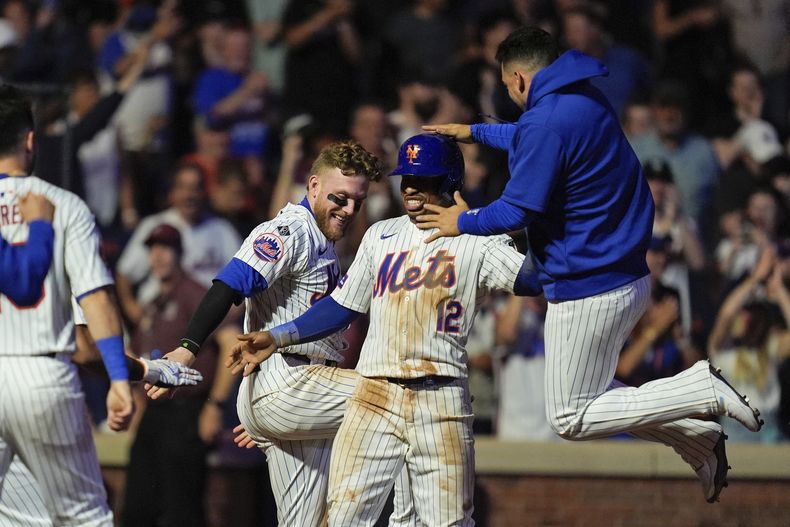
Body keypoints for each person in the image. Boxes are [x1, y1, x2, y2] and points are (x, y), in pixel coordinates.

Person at [417, 26, 763, 503]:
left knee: (569, 417)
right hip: (625, 275)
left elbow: (517, 209)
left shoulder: (545, 121)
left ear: (518, 79)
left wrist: (464, 220)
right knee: (599, 397)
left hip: (588, 287)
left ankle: (698, 388)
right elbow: (535, 135)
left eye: (507, 86)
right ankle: (696, 439)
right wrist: (476, 132)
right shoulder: (583, 98)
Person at [227, 134, 536, 525]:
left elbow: (533, 279)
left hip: (439, 397)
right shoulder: (381, 235)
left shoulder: (476, 238)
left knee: (445, 522)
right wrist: (278, 336)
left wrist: (520, 220)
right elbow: (342, 307)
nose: (410, 188)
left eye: (422, 180)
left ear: (449, 182)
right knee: (343, 518)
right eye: (406, 177)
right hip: (376, 393)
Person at [147, 141, 418, 526]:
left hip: (296, 392)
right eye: (339, 198)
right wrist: (187, 349)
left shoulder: (323, 240)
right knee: (406, 402)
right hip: (288, 381)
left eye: (358, 202)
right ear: (312, 186)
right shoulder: (290, 230)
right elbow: (229, 285)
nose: (349, 210)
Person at [0, 83, 199, 525]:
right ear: (30, 140)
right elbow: (94, 307)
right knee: (86, 517)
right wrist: (123, 376)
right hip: (40, 376)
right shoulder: (61, 205)